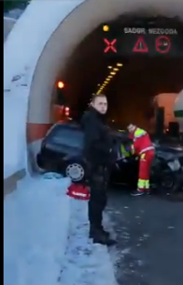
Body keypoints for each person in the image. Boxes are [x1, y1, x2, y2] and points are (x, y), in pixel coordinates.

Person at [81, 94, 116, 246]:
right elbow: (92, 144)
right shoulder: (92, 121)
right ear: (93, 105)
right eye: (100, 103)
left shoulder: (98, 121)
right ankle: (96, 233)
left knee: (100, 200)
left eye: (105, 104)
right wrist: (108, 151)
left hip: (101, 166)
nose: (103, 106)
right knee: (97, 200)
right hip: (97, 167)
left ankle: (98, 228)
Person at [127, 124, 155, 196]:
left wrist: (131, 149)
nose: (130, 129)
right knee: (146, 171)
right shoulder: (139, 132)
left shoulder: (137, 133)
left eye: (131, 127)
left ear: (134, 126)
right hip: (149, 152)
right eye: (129, 129)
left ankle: (140, 189)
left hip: (145, 152)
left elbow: (136, 145)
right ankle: (146, 188)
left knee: (142, 172)